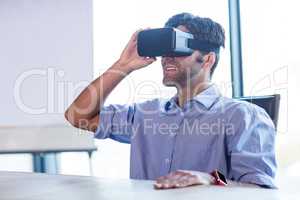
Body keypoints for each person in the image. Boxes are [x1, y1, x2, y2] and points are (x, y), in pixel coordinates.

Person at [65, 13, 277, 189]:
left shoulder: (244, 116)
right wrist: (123, 65)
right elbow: (77, 115)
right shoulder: (145, 114)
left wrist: (211, 179)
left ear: (208, 59)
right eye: (164, 50)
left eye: (177, 49)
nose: (166, 57)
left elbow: (260, 189)